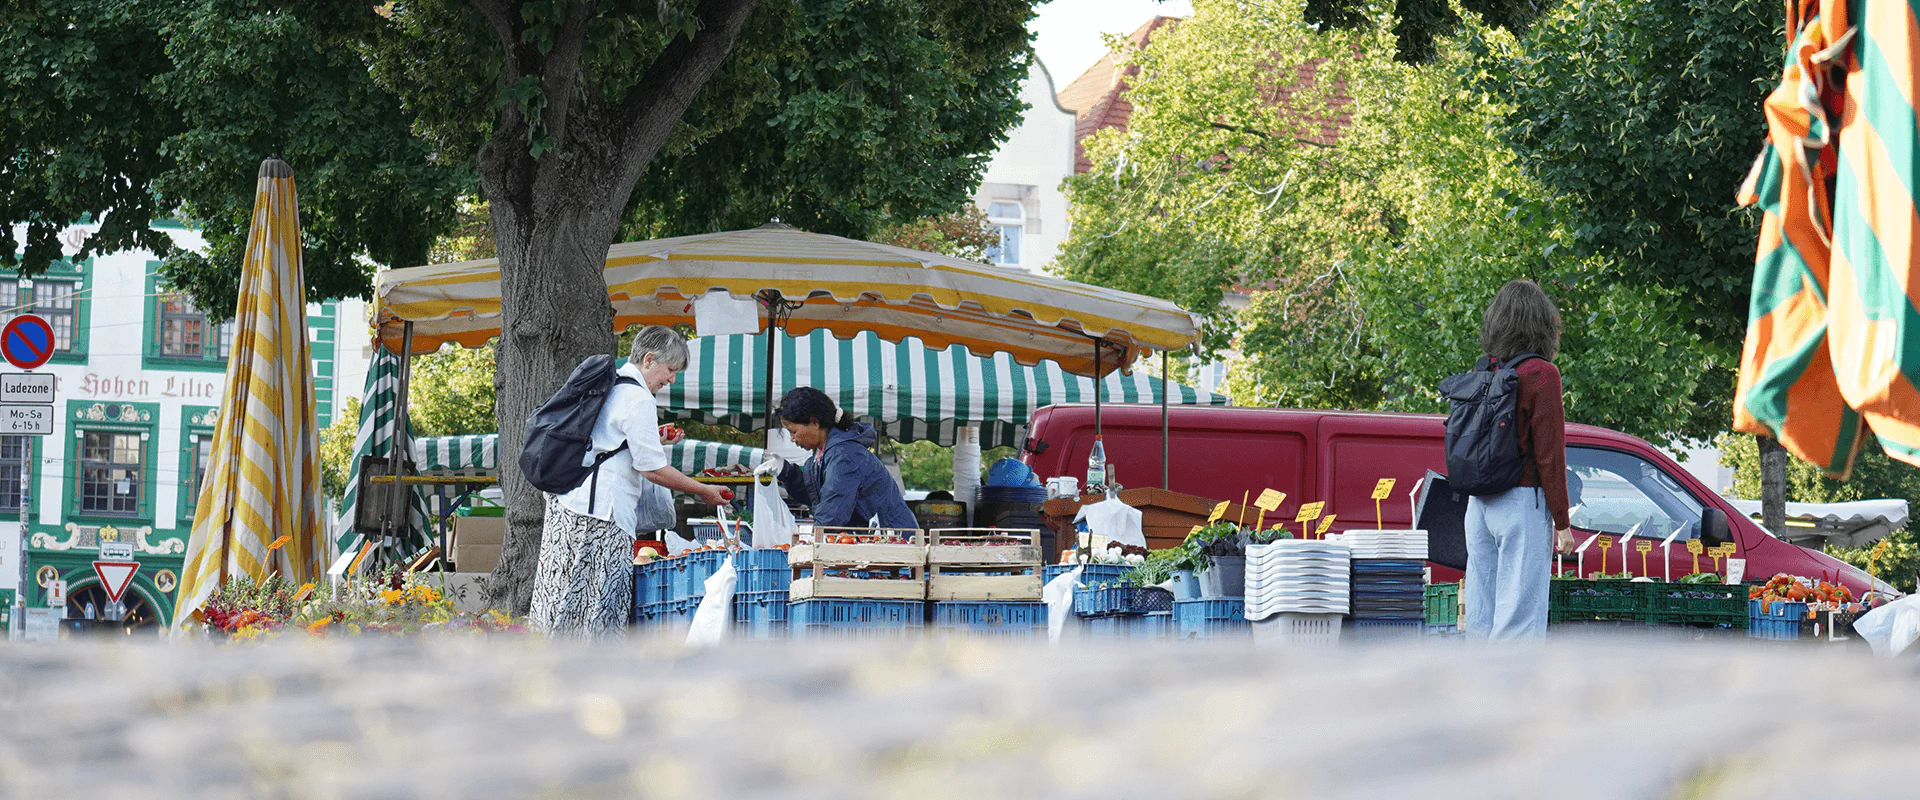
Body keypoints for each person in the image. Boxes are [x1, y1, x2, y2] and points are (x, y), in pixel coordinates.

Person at [531, 326, 729, 639]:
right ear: (650, 359)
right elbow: (652, 469)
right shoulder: (638, 398)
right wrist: (703, 490)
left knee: (558, 601)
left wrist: (656, 438)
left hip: (570, 506)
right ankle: (594, 680)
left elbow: (607, 440)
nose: (671, 379)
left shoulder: (612, 385)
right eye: (671, 370)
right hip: (600, 518)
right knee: (597, 608)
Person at [1463, 279, 1574, 642]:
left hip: (1478, 504)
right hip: (1520, 503)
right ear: (1542, 324)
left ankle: (1477, 697)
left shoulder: (1487, 371)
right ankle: (1516, 698)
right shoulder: (1541, 374)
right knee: (1519, 623)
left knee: (1481, 617)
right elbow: (1549, 455)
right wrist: (1562, 521)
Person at [759, 387, 917, 529]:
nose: (793, 439)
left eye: (794, 432)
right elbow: (815, 494)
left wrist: (810, 543)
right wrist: (786, 471)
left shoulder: (844, 455)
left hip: (894, 542)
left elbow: (833, 513)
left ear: (814, 422)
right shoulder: (822, 455)